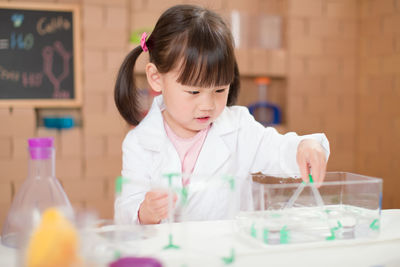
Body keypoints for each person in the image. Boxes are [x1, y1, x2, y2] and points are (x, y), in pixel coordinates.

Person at [114, 4, 330, 225]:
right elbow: (126, 210)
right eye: (194, 91)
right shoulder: (139, 143)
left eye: (219, 90)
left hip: (230, 254)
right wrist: (144, 213)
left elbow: (278, 149)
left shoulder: (239, 128)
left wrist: (305, 147)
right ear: (156, 78)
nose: (207, 104)